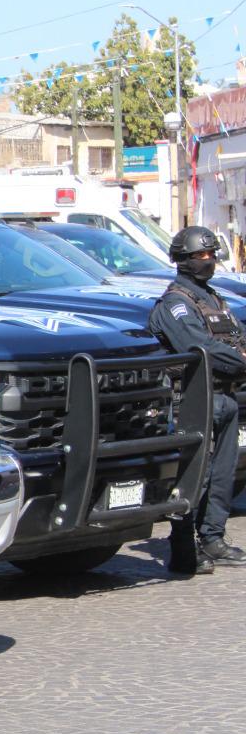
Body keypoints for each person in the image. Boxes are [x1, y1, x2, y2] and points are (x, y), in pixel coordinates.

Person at [148, 225, 246, 574]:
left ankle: (213, 538)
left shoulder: (214, 299)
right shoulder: (176, 304)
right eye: (200, 256)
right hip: (194, 400)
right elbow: (200, 348)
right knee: (195, 477)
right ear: (183, 259)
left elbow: (236, 337)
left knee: (223, 475)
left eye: (210, 255)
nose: (208, 261)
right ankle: (183, 546)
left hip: (226, 397)